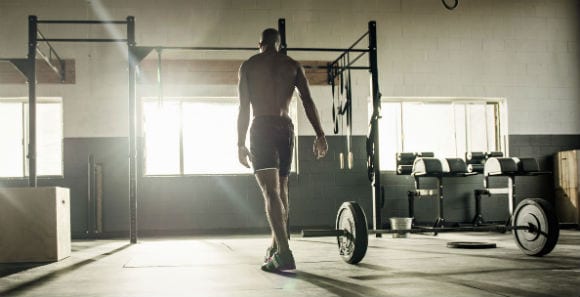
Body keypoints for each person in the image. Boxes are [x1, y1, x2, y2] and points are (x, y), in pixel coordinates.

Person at [237, 28, 328, 272]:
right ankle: (276, 246)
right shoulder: (293, 65)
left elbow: (244, 108)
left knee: (270, 191)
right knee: (282, 189)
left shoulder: (249, 66)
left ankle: (285, 254)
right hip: (286, 128)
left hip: (262, 126)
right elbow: (308, 101)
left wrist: (239, 143)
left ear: (260, 44)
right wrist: (320, 134)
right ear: (279, 44)